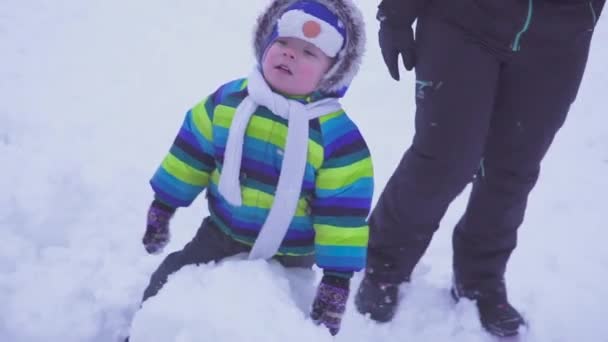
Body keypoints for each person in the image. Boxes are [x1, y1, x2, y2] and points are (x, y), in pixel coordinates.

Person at [354, 0, 605, 338]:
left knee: (513, 168)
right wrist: (398, 14)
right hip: (463, 18)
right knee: (445, 158)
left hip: (559, 37)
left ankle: (480, 278)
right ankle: (384, 260)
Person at [137, 0, 371, 337]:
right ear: (265, 43)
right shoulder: (229, 101)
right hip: (221, 231)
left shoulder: (337, 138)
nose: (290, 54)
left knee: (280, 321)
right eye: (283, 43)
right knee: (170, 278)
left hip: (292, 250)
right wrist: (164, 204)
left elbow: (342, 213)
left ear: (331, 73)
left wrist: (336, 278)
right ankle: (148, 330)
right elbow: (192, 152)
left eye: (308, 53)